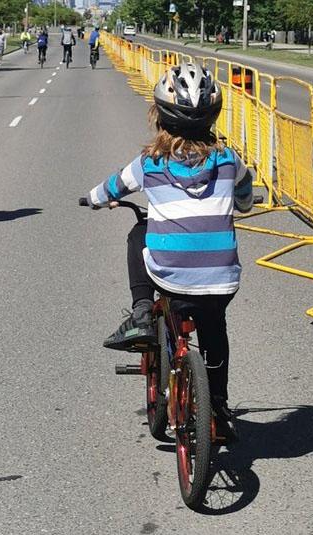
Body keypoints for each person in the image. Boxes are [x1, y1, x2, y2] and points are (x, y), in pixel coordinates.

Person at [84, 63, 253, 443]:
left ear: (159, 115)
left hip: (171, 275)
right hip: (222, 278)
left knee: (139, 234)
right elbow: (245, 199)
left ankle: (143, 311)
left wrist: (93, 199)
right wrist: (241, 200)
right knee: (214, 329)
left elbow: (109, 189)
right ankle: (219, 407)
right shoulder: (229, 161)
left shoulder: (149, 163)